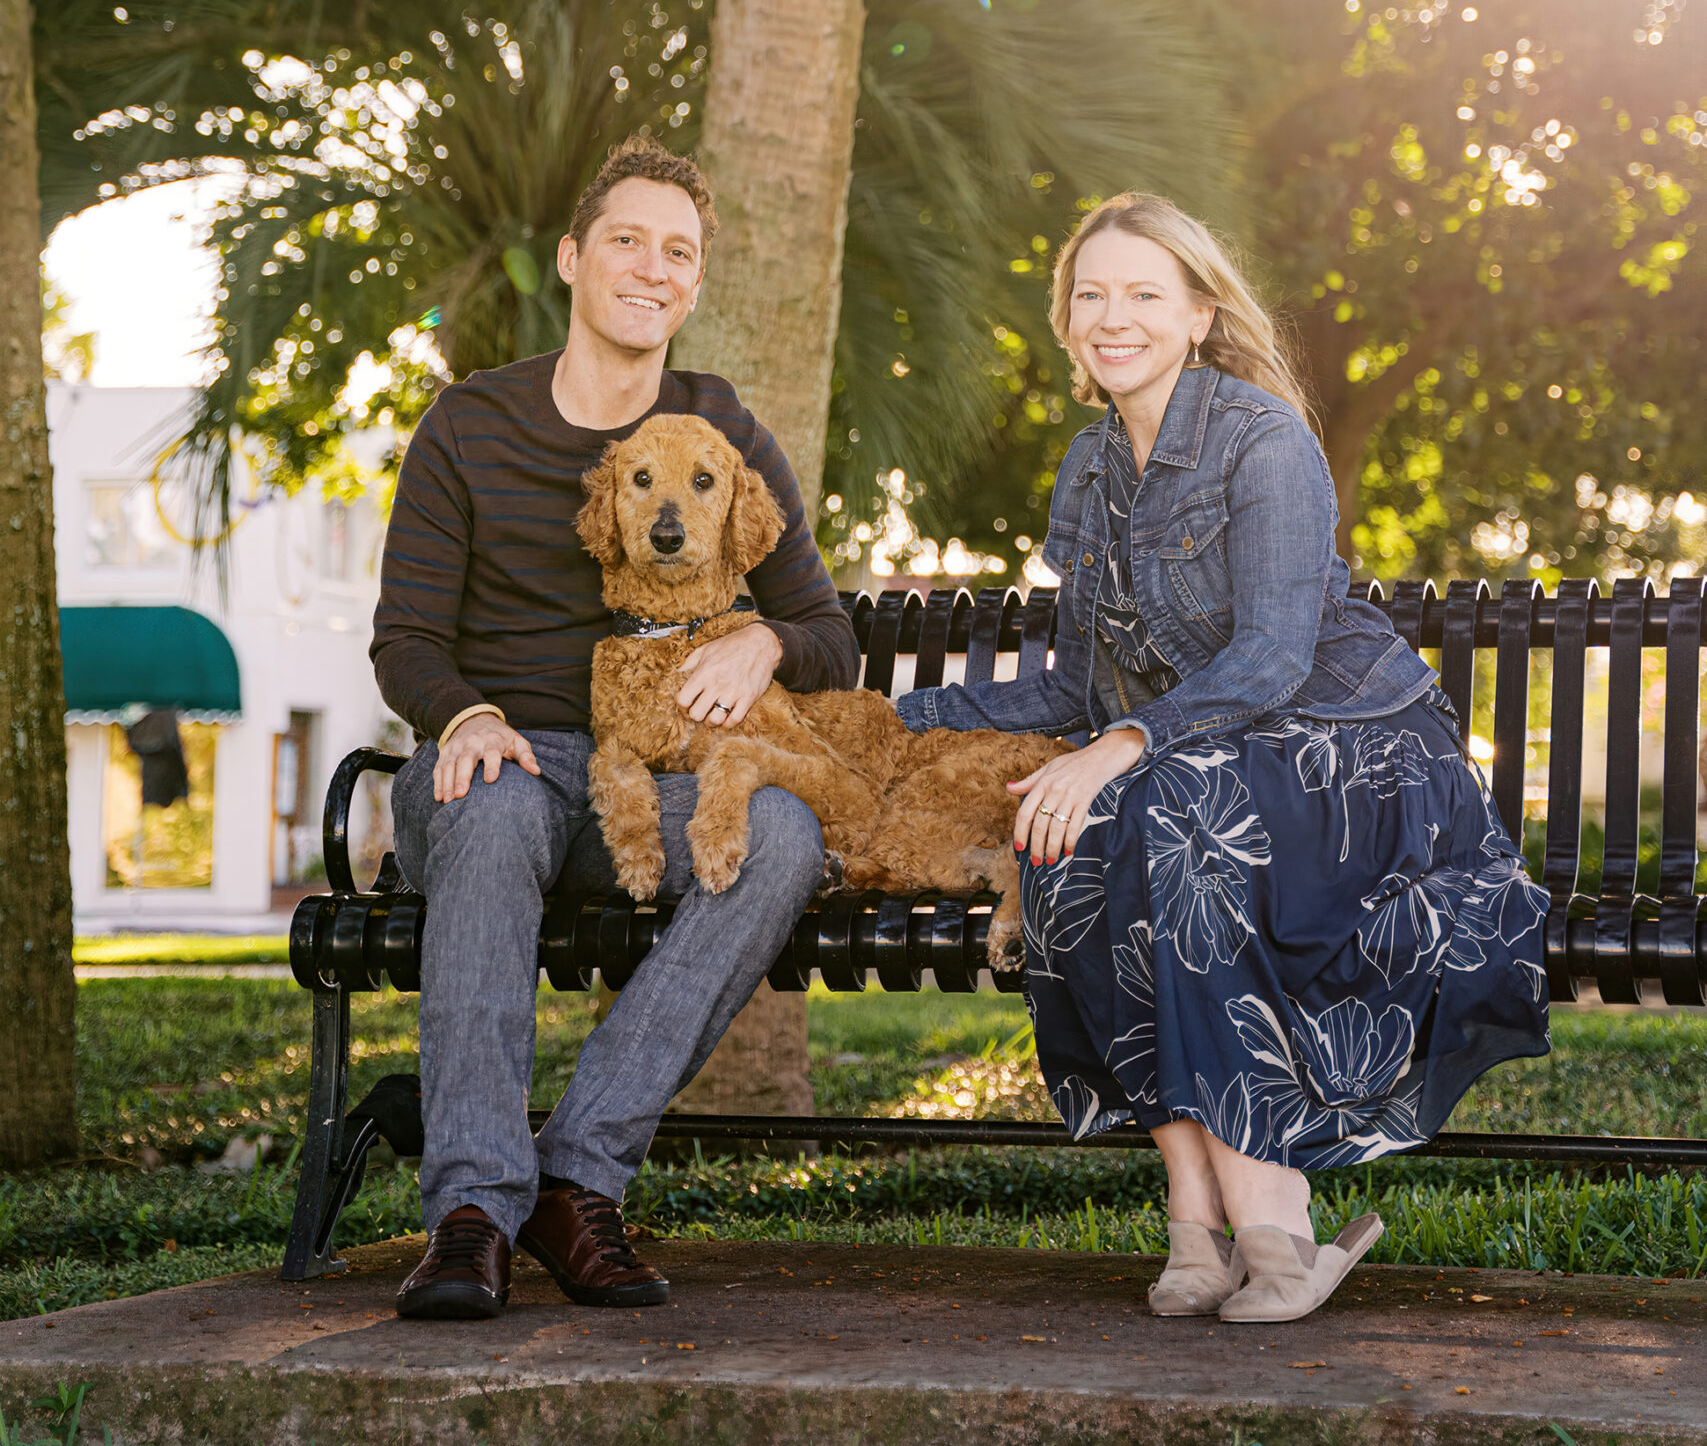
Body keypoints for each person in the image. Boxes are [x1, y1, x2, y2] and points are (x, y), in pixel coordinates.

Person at [897, 192, 1548, 1326]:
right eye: (1091, 295)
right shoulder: (1088, 469)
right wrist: (894, 719)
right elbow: (1071, 685)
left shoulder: (1263, 437)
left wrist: (1121, 744)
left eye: (1144, 294)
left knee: (1170, 809)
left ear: (1198, 314)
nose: (1115, 317)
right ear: (1064, 320)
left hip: (1362, 757)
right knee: (1069, 835)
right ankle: (1191, 1213)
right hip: (1216, 759)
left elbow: (1271, 659)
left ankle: (1274, 1218)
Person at [371, 133, 857, 1322]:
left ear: (695, 283)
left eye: (678, 252)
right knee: (481, 812)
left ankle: (578, 1179)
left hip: (653, 778)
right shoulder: (469, 428)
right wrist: (467, 715)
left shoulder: (719, 426)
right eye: (628, 240)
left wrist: (763, 640)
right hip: (510, 760)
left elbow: (827, 630)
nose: (652, 267)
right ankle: (474, 1210)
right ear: (575, 257)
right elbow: (405, 641)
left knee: (784, 832)